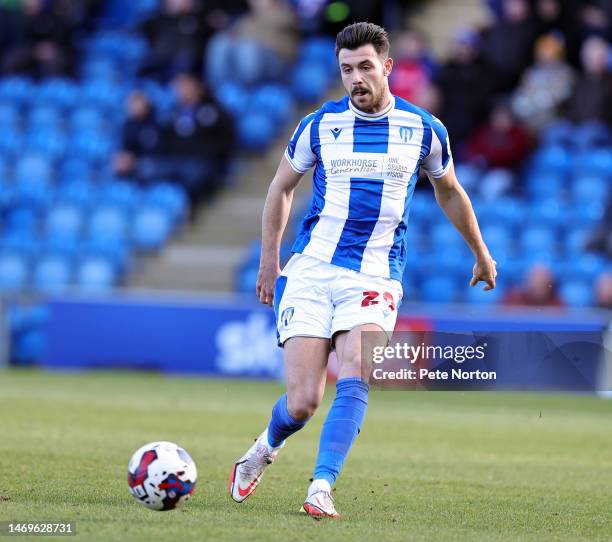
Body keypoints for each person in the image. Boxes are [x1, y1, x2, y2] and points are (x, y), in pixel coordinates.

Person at [228, 22, 497, 519]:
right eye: (347, 69)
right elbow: (280, 188)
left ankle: (321, 486)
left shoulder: (423, 129)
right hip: (310, 269)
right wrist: (271, 259)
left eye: (365, 67)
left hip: (375, 274)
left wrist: (480, 252)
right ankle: (265, 446)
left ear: (388, 67)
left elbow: (450, 191)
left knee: (356, 371)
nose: (356, 78)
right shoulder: (319, 125)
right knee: (304, 402)